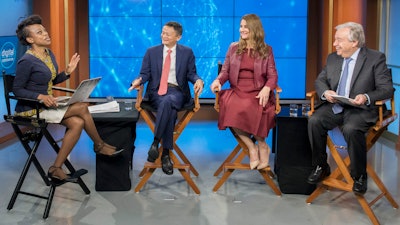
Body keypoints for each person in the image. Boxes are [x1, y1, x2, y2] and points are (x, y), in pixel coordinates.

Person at [13, 15, 124, 184]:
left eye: (44, 30)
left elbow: (50, 81)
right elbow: (17, 89)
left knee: (77, 123)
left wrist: (67, 71)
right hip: (31, 109)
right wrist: (40, 96)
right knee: (81, 107)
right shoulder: (26, 61)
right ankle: (99, 145)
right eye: (39, 32)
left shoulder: (48, 54)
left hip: (46, 105)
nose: (45, 33)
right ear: (29, 39)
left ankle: (55, 168)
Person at [307, 22, 394, 195]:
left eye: (339, 40)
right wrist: (325, 92)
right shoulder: (333, 58)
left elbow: (387, 89)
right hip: (337, 106)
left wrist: (366, 97)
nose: (335, 44)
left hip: (360, 109)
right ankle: (321, 166)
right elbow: (320, 80)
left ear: (354, 42)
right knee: (315, 120)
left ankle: (359, 176)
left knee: (352, 128)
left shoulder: (375, 58)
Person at [129, 21, 204, 175]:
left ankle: (156, 142)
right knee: (167, 104)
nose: (163, 36)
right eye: (162, 32)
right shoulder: (152, 52)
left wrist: (198, 80)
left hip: (177, 91)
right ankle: (165, 154)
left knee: (169, 101)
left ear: (178, 37)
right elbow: (145, 74)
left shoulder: (187, 52)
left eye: (168, 34)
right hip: (156, 92)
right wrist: (138, 80)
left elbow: (191, 73)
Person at [210, 14, 278, 170]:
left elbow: (273, 75)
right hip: (237, 90)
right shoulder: (233, 47)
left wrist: (267, 88)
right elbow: (225, 71)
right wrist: (218, 81)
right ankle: (252, 147)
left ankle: (262, 145)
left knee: (253, 106)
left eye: (245, 27)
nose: (242, 30)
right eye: (241, 26)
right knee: (229, 105)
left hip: (258, 91)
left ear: (255, 29)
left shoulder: (267, 50)